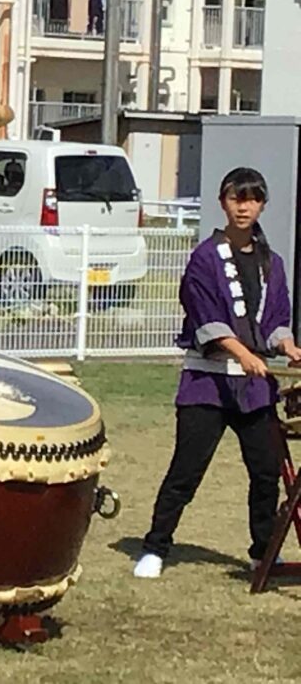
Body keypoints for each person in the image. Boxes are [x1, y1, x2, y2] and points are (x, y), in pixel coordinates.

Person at [133, 167, 301, 580]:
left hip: (254, 386)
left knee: (265, 472)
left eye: (252, 199)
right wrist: (241, 351)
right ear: (222, 202)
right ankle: (155, 547)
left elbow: (276, 319)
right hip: (207, 382)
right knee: (186, 470)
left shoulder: (272, 263)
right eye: (235, 198)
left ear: (262, 204)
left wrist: (289, 346)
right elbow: (204, 313)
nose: (243, 207)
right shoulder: (204, 257)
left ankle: (263, 551)